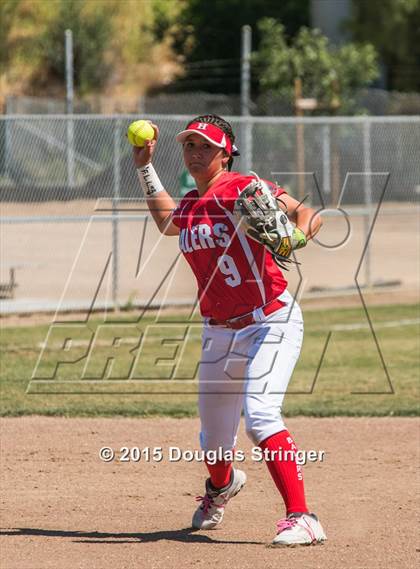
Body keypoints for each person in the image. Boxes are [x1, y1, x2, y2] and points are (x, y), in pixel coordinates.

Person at [132, 114, 326, 547]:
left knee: (259, 415)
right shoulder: (190, 204)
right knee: (215, 441)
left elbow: (308, 213)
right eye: (189, 146)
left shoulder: (245, 188)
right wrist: (144, 166)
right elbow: (167, 222)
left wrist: (296, 236)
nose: (195, 153)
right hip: (219, 332)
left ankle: (303, 517)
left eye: (205, 146)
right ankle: (221, 487)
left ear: (226, 153)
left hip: (269, 319)